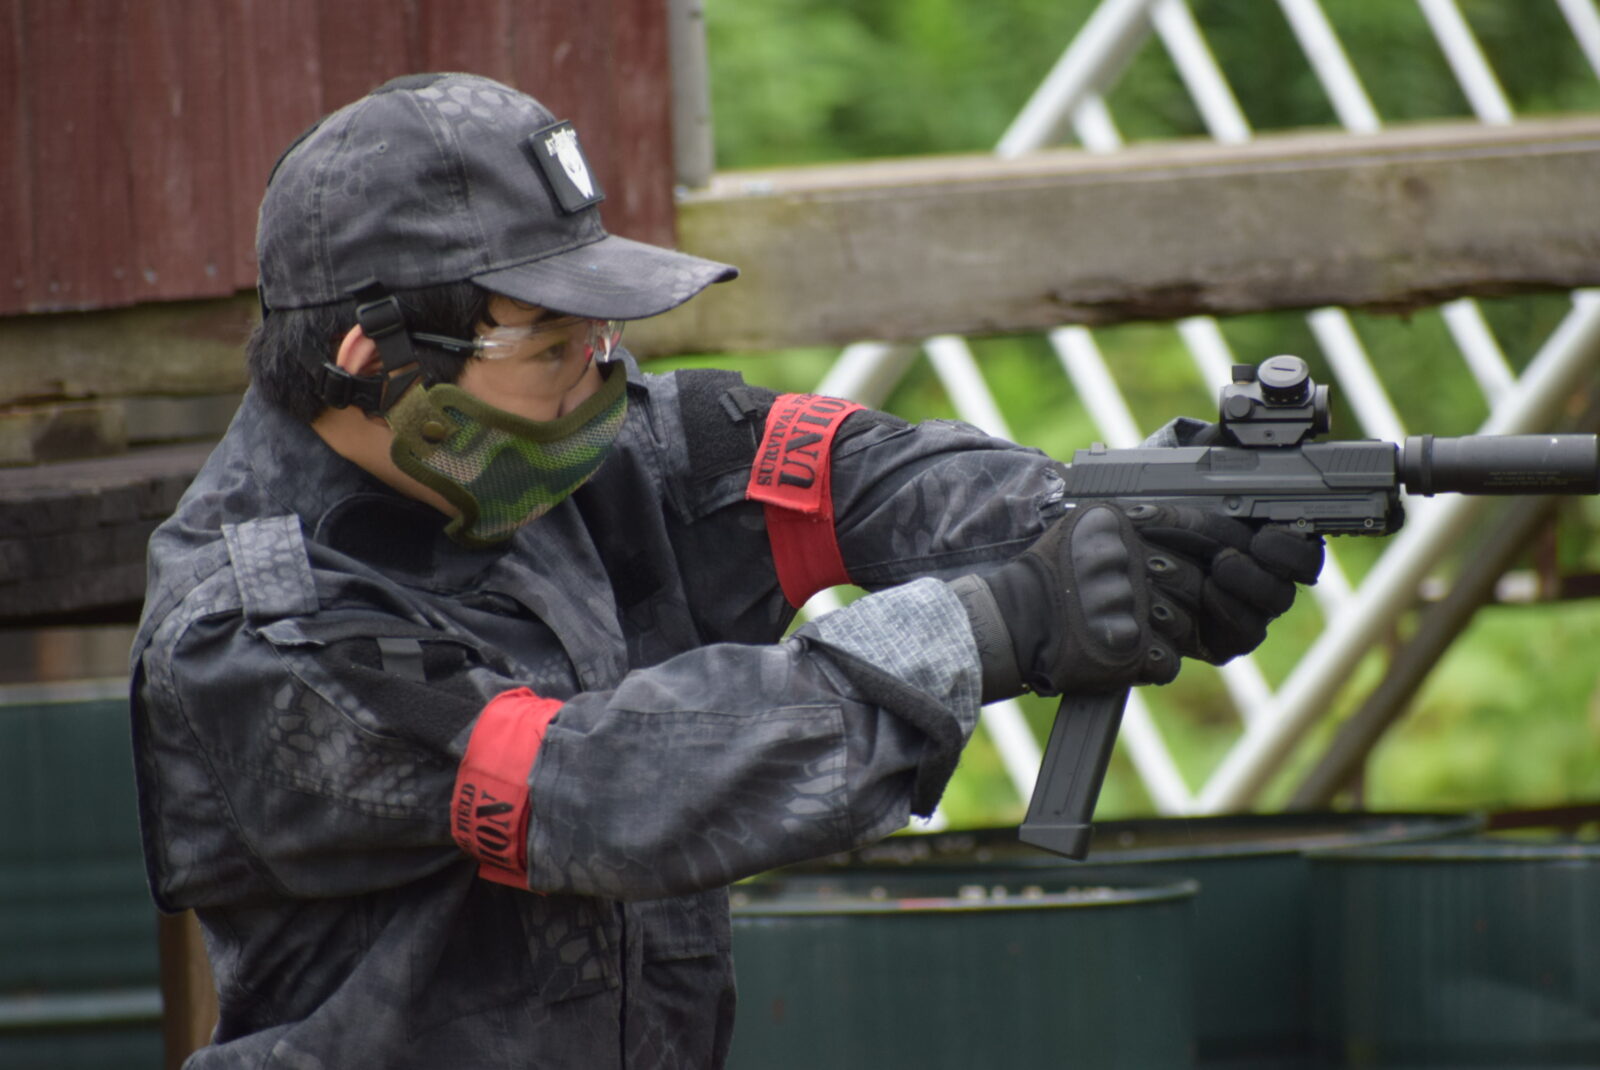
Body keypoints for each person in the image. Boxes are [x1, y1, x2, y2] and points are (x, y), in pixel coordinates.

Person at [130, 72, 1322, 1068]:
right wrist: (1003, 620)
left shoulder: (543, 453)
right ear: (375, 356)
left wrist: (1100, 523)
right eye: (554, 340)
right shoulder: (256, 630)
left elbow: (845, 472)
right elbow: (594, 788)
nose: (603, 372)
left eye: (603, 330)